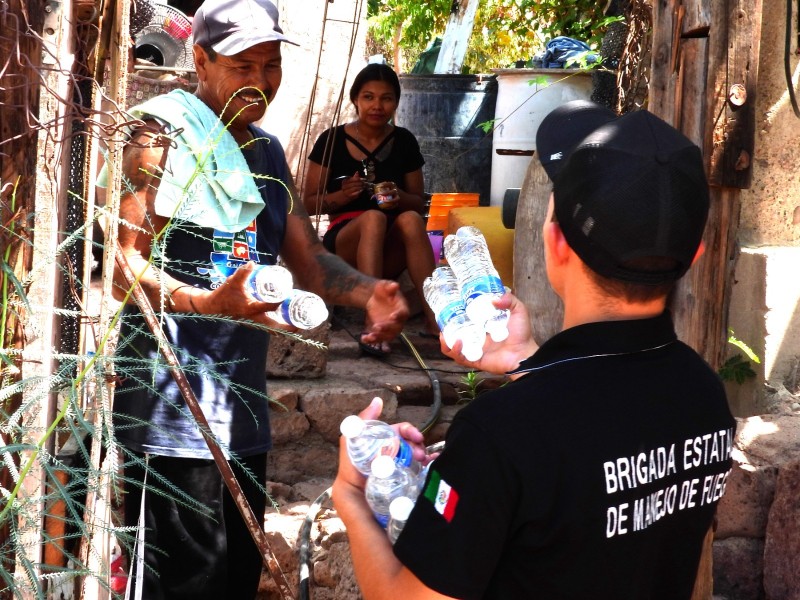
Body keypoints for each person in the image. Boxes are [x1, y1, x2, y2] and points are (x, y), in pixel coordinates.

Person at [331, 102, 737, 599]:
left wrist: (351, 496)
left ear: (557, 242)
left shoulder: (500, 433)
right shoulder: (703, 393)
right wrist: (529, 362)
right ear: (693, 255)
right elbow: (595, 440)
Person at [102, 0, 409, 598]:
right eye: (243, 65)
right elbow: (122, 266)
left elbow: (308, 259)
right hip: (172, 411)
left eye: (271, 66)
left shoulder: (268, 154)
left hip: (240, 411)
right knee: (183, 584)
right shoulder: (158, 135)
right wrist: (204, 303)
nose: (260, 82)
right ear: (200, 59)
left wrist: (371, 291)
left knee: (235, 578)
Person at [303, 63, 438, 358]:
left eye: (386, 98)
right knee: (373, 218)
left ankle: (435, 319)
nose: (377, 105)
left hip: (390, 247)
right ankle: (373, 320)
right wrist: (341, 195)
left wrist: (399, 197)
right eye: (368, 97)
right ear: (355, 100)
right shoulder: (332, 139)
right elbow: (307, 202)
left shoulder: (404, 141)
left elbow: (419, 201)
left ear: (396, 102)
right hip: (345, 245)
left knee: (411, 220)